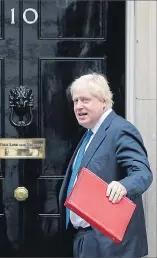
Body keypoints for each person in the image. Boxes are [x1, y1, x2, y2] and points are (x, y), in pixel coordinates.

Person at [59, 73, 153, 258]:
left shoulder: (120, 130)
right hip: (85, 241)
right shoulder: (89, 134)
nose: (78, 106)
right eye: (76, 100)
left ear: (104, 101)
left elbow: (142, 173)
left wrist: (123, 186)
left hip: (109, 246)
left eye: (85, 100)